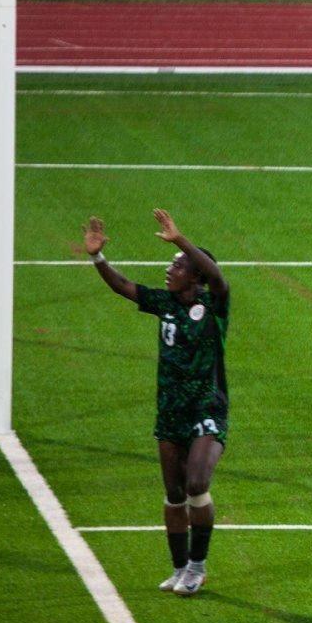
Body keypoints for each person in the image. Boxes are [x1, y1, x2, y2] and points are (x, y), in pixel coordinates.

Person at [84, 211, 228, 597]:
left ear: (195, 274)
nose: (169, 270)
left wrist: (181, 240)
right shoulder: (163, 303)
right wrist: (98, 258)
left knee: (197, 482)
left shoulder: (215, 305)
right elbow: (123, 286)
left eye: (178, 266)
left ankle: (198, 567)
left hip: (206, 408)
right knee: (174, 494)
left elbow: (217, 278)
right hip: (170, 411)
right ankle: (179, 568)